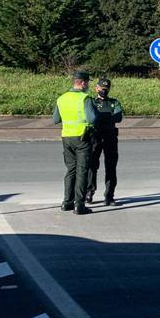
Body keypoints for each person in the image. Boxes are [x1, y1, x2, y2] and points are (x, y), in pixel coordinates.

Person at [52, 70, 98, 215]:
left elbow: (55, 119)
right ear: (83, 83)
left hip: (66, 137)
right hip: (82, 137)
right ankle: (79, 205)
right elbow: (92, 119)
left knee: (70, 170)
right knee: (82, 171)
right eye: (88, 82)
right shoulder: (86, 98)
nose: (88, 85)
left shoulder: (62, 98)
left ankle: (67, 202)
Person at [86, 77, 123, 205]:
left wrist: (100, 117)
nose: (104, 91)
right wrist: (108, 117)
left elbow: (119, 117)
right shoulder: (91, 102)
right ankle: (89, 192)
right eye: (102, 89)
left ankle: (109, 195)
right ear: (96, 88)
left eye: (106, 89)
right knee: (92, 165)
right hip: (95, 136)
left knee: (111, 167)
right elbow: (90, 117)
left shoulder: (114, 102)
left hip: (110, 137)